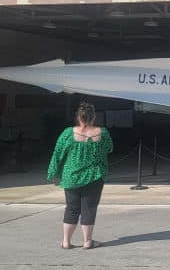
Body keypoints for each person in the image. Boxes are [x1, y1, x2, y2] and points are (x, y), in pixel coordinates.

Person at [47, 102, 113, 250]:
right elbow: (109, 148)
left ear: (78, 116)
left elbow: (57, 154)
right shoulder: (102, 133)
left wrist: (52, 173)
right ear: (93, 116)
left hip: (71, 176)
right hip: (94, 176)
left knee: (71, 208)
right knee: (89, 208)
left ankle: (66, 242)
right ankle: (87, 241)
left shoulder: (67, 133)